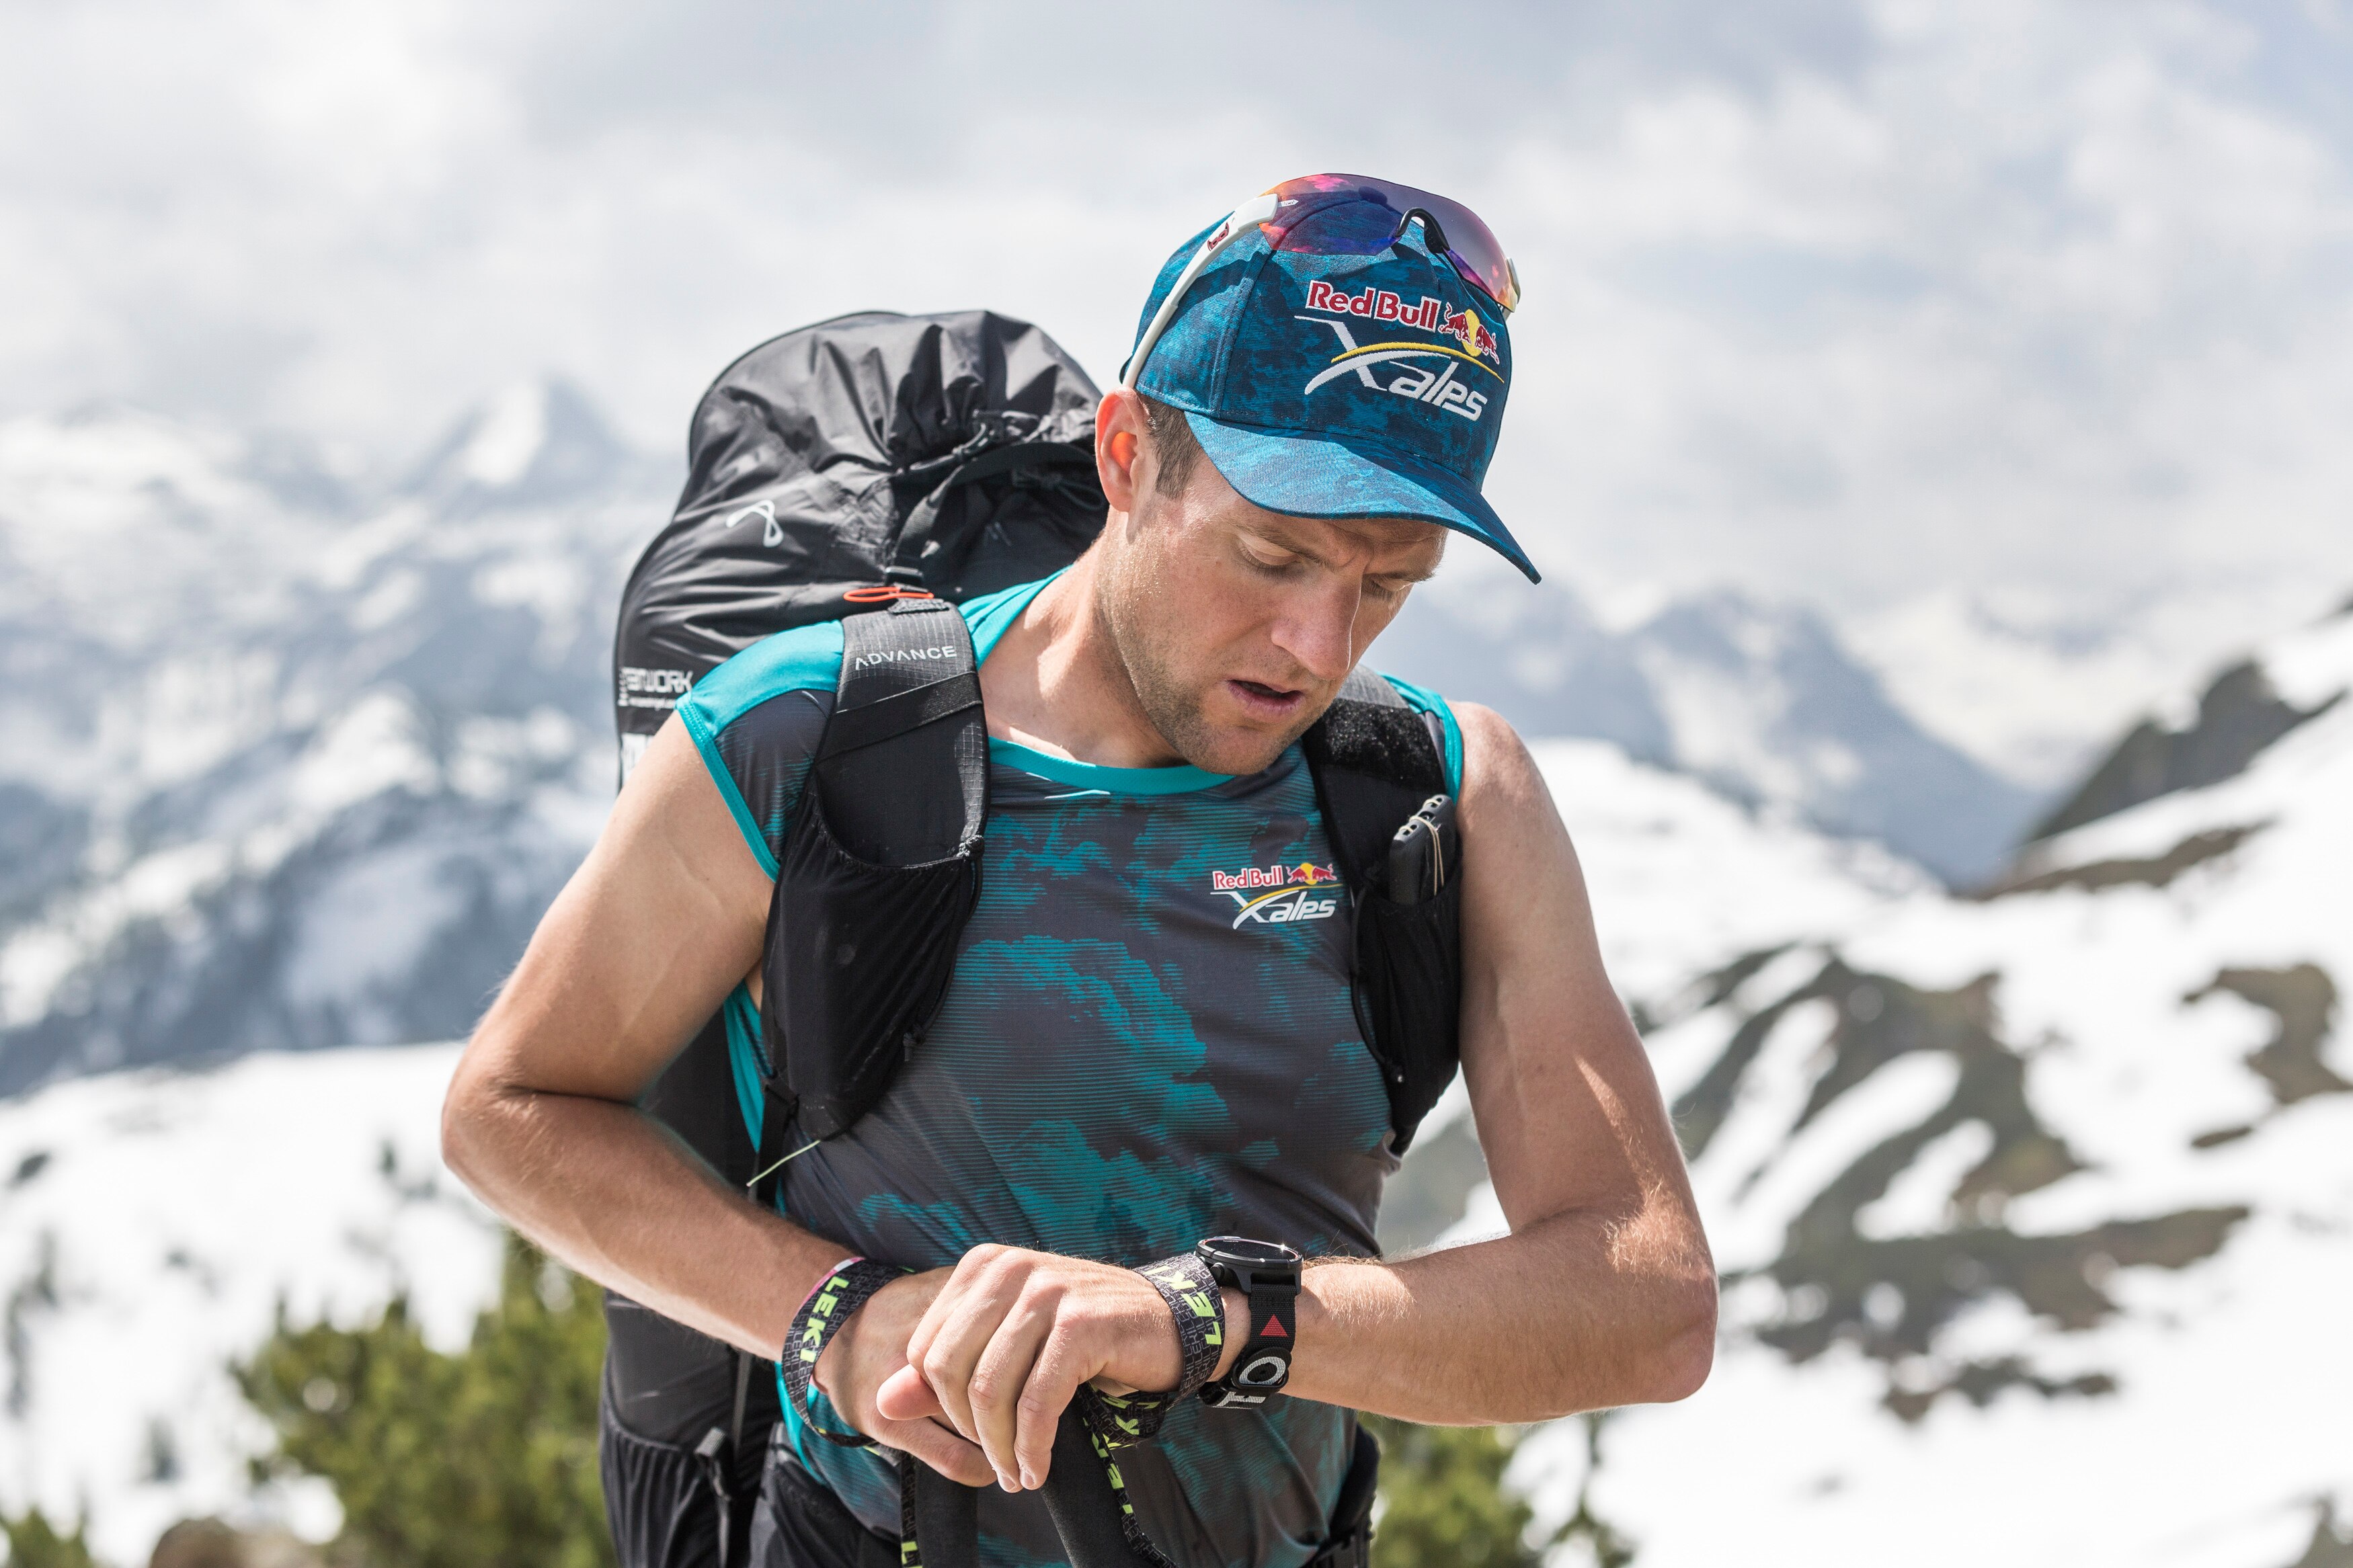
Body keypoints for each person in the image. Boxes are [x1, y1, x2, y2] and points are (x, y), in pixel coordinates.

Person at [443, 174, 1716, 1568]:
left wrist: (1211, 1325)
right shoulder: (806, 736)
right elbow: (510, 1108)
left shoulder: (1442, 800)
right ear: (1124, 457)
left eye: (1390, 579)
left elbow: (1646, 1302)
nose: (1316, 644)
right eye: (1272, 554)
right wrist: (838, 1320)